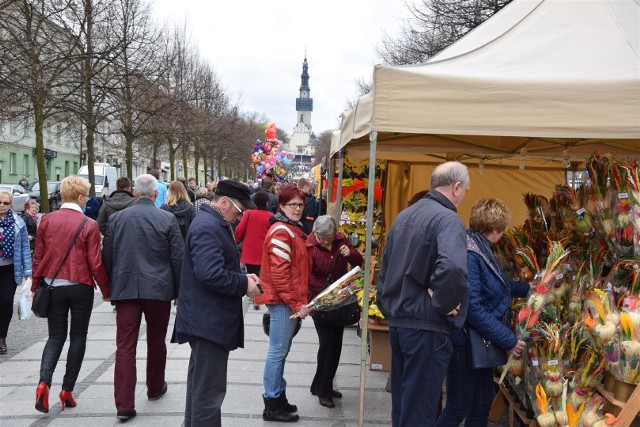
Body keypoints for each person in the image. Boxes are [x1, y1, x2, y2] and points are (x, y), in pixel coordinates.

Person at [377, 161, 470, 427]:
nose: (463, 197)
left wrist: (391, 305)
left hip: (401, 321)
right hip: (425, 326)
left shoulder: (405, 215)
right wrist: (444, 302)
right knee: (418, 411)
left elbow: (386, 269)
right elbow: (452, 266)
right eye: (464, 191)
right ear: (456, 187)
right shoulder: (448, 219)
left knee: (404, 407)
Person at [436, 198, 529, 427]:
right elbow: (473, 308)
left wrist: (531, 288)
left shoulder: (480, 248)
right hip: (466, 343)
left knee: (480, 405)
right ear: (495, 229)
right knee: (458, 407)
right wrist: (509, 340)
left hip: (479, 342)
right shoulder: (472, 254)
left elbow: (497, 286)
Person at [175, 179, 260, 427]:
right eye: (239, 210)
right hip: (207, 321)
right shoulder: (208, 226)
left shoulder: (211, 222)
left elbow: (214, 269)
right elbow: (210, 274)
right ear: (224, 203)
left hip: (206, 319)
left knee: (201, 388)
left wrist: (243, 277)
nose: (239, 216)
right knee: (208, 394)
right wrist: (243, 284)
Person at [102, 174, 184, 422]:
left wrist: (110, 286)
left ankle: (124, 404)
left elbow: (107, 255)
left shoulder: (117, 219)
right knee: (157, 341)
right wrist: (180, 292)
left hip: (126, 288)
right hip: (158, 290)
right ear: (156, 194)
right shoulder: (167, 218)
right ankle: (155, 386)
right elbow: (178, 259)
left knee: (125, 346)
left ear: (135, 193)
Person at [31, 176, 110, 413]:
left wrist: (35, 285)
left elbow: (38, 256)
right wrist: (107, 291)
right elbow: (95, 263)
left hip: (52, 286)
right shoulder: (89, 224)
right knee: (78, 337)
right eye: (86, 196)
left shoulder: (46, 221)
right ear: (79, 197)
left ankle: (43, 383)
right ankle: (66, 391)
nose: (87, 200)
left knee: (55, 337)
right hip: (80, 287)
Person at [254, 184, 311, 423]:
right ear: (282, 205)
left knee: (281, 351)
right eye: (293, 205)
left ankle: (278, 397)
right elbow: (280, 274)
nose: (298, 209)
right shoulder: (282, 231)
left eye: (300, 204)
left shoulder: (289, 229)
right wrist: (296, 304)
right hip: (282, 301)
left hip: (285, 300)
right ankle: (272, 403)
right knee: (277, 352)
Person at [307, 215, 363, 408]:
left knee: (335, 346)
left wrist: (351, 253)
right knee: (327, 345)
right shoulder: (309, 246)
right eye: (322, 239)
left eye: (329, 238)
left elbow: (358, 263)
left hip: (339, 302)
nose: (326, 242)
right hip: (321, 303)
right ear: (316, 234)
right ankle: (324, 390)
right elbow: (307, 275)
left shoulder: (341, 239)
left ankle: (320, 385)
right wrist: (326, 292)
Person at [0, 191, 32, 355]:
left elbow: (25, 248)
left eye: (6, 203)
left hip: (9, 268)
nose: (2, 205)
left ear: (10, 204)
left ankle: (2, 337)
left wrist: (28, 270)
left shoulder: (18, 223)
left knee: (5, 302)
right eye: (0, 202)